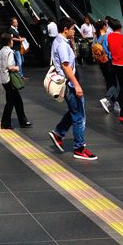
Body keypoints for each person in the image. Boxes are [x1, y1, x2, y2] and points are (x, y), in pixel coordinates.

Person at [48, 17, 97, 161]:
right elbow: (65, 65)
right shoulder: (62, 45)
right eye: (72, 29)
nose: (74, 31)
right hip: (70, 83)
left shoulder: (58, 41)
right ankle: (79, 148)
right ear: (65, 29)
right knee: (79, 117)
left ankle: (58, 133)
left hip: (68, 82)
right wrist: (76, 84)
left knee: (74, 112)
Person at [0, 32, 31, 130]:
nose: (13, 42)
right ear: (9, 42)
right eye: (12, 40)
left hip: (3, 78)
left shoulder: (1, 51)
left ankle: (23, 121)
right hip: (9, 79)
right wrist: (16, 68)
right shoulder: (10, 52)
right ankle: (5, 123)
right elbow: (10, 66)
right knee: (11, 102)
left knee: (17, 101)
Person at [93, 19, 118, 114]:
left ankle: (113, 101)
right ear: (103, 26)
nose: (107, 26)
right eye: (106, 25)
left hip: (100, 62)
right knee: (114, 83)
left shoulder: (96, 36)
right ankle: (107, 99)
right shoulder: (107, 36)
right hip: (108, 61)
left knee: (108, 81)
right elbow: (110, 49)